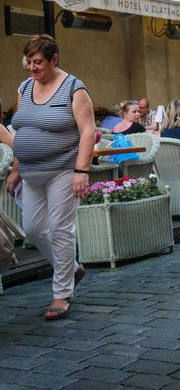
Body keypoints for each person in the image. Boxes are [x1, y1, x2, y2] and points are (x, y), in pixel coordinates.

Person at [7, 34, 95, 320]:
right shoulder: (24, 88)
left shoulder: (74, 88)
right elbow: (22, 129)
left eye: (39, 62)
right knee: (32, 229)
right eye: (29, 62)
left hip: (63, 169)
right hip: (31, 173)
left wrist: (81, 171)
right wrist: (17, 169)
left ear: (54, 60)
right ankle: (71, 268)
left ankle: (61, 295)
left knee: (60, 228)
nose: (32, 68)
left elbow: (88, 132)